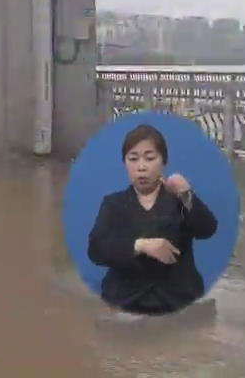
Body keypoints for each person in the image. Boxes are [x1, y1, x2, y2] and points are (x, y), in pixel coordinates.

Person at [87, 123, 219, 315]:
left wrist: (186, 194)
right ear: (125, 163)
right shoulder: (113, 204)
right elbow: (96, 250)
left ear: (163, 161)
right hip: (125, 300)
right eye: (133, 159)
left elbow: (208, 230)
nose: (141, 167)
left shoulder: (179, 200)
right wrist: (140, 245)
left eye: (150, 158)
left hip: (177, 300)